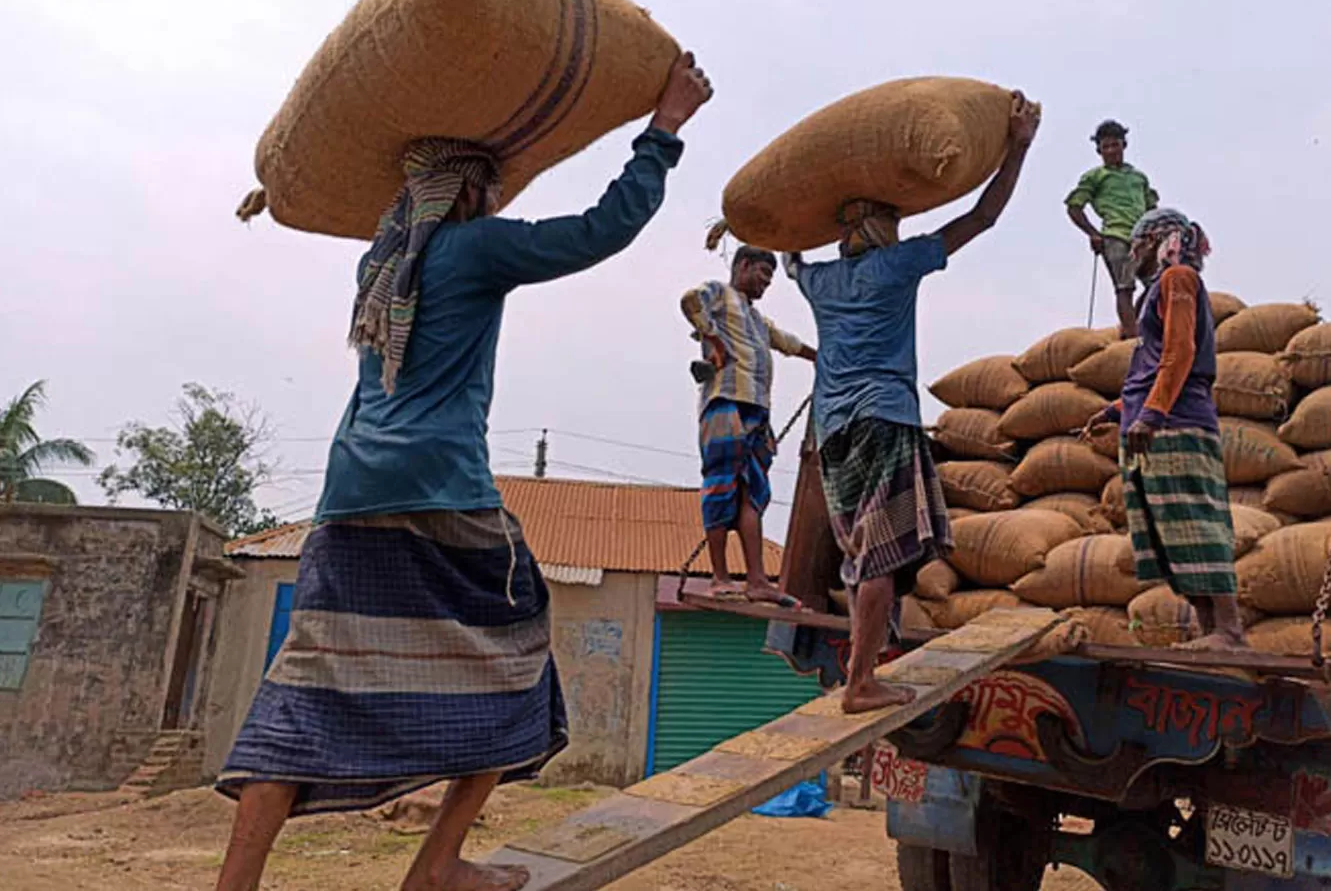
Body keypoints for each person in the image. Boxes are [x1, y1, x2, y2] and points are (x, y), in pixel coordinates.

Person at [212, 53, 712, 891]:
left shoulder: (377, 267)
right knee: (519, 659)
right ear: (470, 194)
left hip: (345, 500)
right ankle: (438, 862)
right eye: (489, 189)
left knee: (308, 680)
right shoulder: (473, 252)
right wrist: (662, 131)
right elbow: (599, 230)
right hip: (442, 489)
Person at [786, 93, 1041, 713]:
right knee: (882, 555)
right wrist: (1019, 147)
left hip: (834, 431)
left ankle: (865, 667)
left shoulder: (820, 282)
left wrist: (758, 224)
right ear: (880, 228)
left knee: (871, 553)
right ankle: (861, 683)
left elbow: (787, 253)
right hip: (883, 421)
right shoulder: (896, 265)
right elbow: (981, 219)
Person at [1082, 208, 1246, 651]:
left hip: (1177, 425)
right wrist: (1119, 410)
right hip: (1151, 423)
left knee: (1195, 521)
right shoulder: (1157, 288)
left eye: (1137, 244)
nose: (1132, 253)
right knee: (1171, 533)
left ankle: (1228, 630)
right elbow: (1154, 364)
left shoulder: (1178, 280)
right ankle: (1210, 629)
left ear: (1156, 240)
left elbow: (1180, 352)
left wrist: (1151, 414)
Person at [681, 245, 815, 606]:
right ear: (742, 266)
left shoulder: (756, 319)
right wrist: (711, 336)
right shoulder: (720, 294)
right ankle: (720, 577)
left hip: (758, 410)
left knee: (752, 491)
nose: (765, 284)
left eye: (770, 278)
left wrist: (821, 357)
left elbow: (787, 342)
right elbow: (691, 300)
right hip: (724, 403)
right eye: (761, 274)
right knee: (721, 485)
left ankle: (757, 580)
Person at [1065, 120, 1159, 338]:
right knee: (1124, 287)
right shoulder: (1095, 177)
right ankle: (1133, 336)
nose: (1110, 151)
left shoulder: (1138, 177)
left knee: (1156, 285)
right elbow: (1074, 206)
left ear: (1123, 145)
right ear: (1099, 150)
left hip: (1142, 238)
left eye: (1115, 145)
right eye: (1105, 147)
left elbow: (1152, 207)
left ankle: (1134, 327)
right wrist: (1092, 233)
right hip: (1115, 237)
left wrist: (1157, 232)